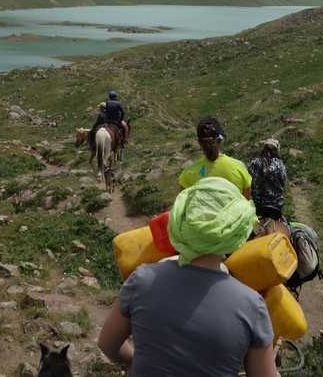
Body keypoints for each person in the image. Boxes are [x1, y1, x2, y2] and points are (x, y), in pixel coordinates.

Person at [97, 177, 278, 377]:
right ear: (237, 231)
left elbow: (107, 344)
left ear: (179, 221)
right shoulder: (252, 306)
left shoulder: (142, 280)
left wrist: (135, 359)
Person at [179, 116, 252, 198]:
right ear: (220, 140)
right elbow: (246, 201)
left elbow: (184, 202)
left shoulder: (188, 174)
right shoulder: (239, 168)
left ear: (199, 142)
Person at [248, 139, 287, 220]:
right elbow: (283, 182)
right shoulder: (280, 164)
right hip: (276, 205)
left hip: (258, 205)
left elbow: (249, 182)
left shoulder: (254, 163)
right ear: (277, 150)